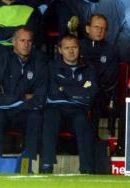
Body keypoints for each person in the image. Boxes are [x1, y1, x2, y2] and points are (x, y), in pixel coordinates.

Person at [0, 26, 48, 159]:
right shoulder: (0, 62)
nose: (26, 44)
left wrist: (9, 98)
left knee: (36, 116)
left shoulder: (40, 64)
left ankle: (30, 162)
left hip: (26, 113)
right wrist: (23, 97)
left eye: (29, 41)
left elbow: (40, 100)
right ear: (14, 42)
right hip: (4, 112)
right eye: (22, 40)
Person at [41, 34, 98, 174]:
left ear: (79, 48)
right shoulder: (51, 67)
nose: (71, 51)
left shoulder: (89, 68)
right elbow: (53, 93)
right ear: (60, 50)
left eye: (74, 47)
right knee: (48, 118)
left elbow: (89, 93)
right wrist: (78, 89)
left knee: (83, 121)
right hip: (56, 109)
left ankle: (87, 169)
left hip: (78, 111)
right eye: (67, 48)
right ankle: (46, 166)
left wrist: (65, 89)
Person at [80, 14, 118, 137]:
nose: (100, 31)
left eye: (103, 28)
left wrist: (89, 85)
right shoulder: (77, 46)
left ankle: (92, 138)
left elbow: (109, 77)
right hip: (76, 87)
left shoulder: (111, 50)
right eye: (96, 27)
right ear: (87, 28)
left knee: (95, 96)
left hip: (100, 91)